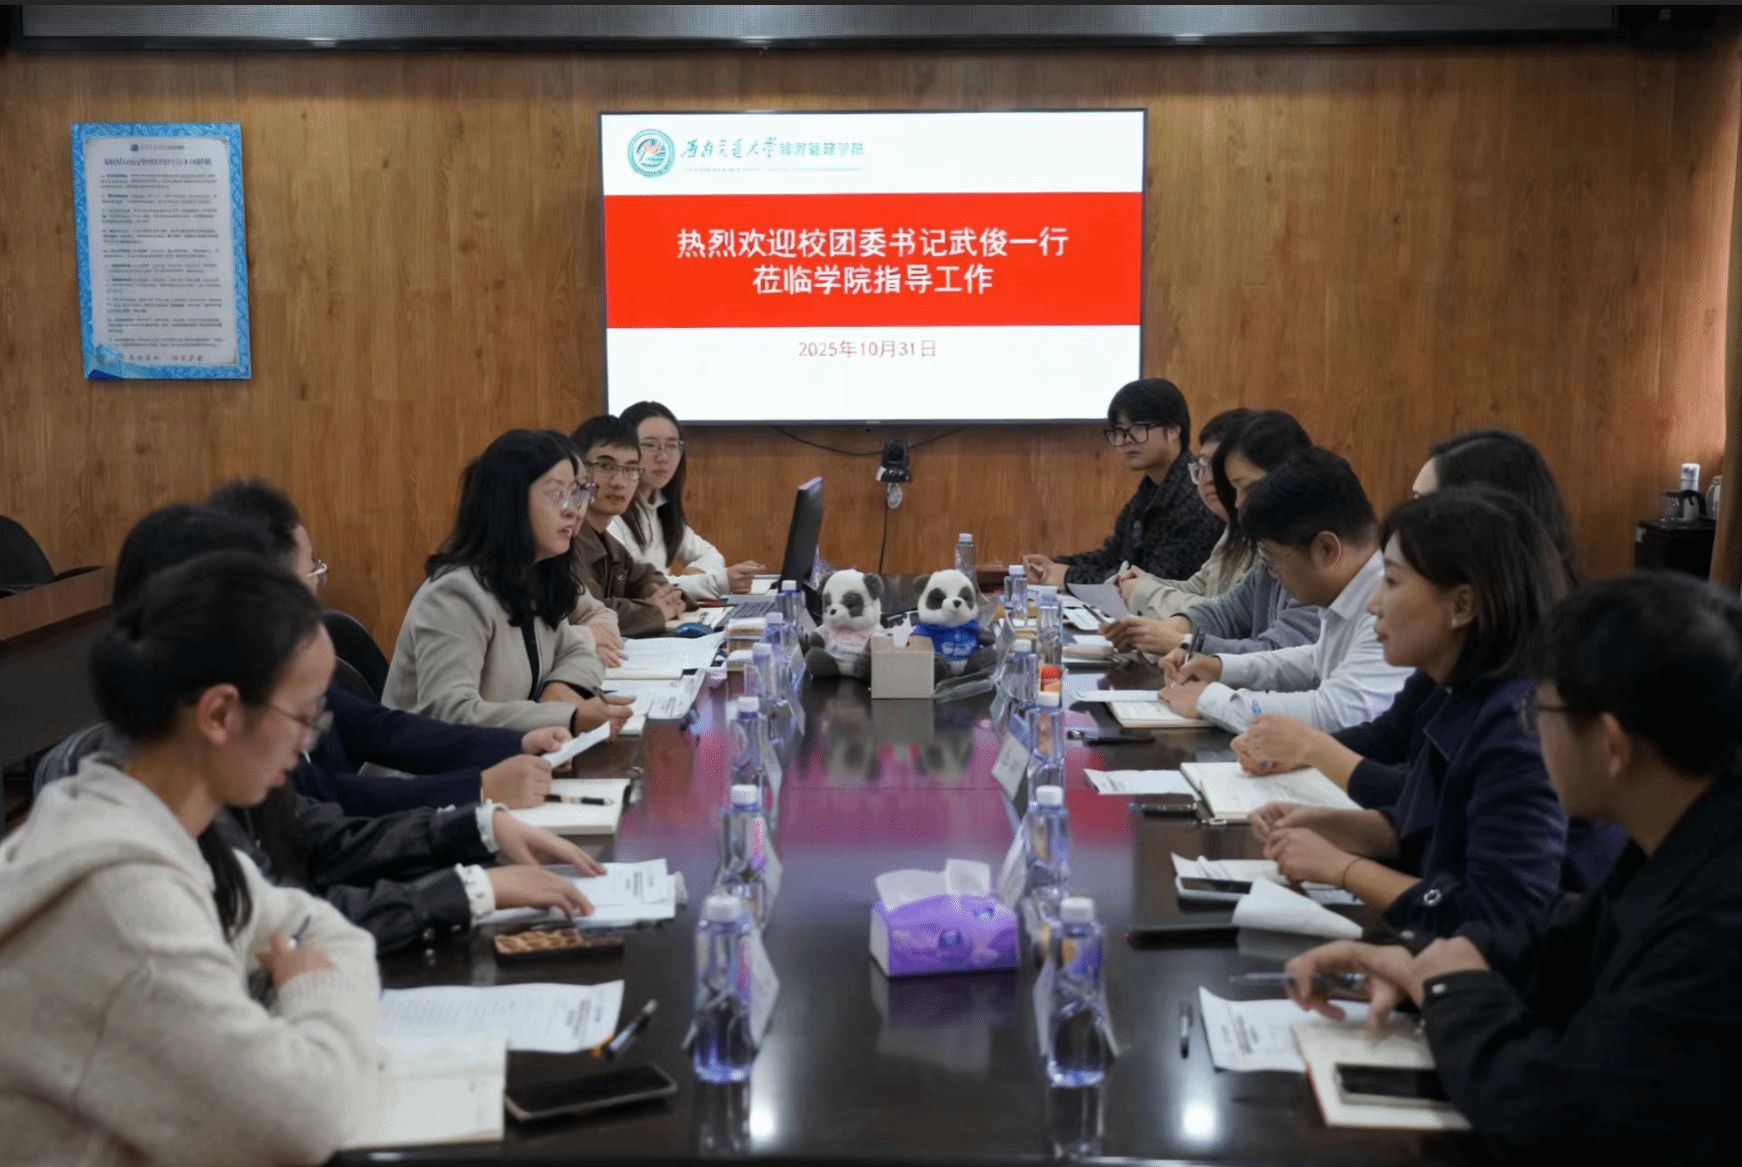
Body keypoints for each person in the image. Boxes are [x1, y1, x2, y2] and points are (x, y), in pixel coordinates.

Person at [1284, 572, 1742, 1162]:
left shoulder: (1718, 923)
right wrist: (1419, 959)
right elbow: (1564, 942)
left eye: (1538, 712)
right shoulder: (1682, 834)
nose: (1532, 732)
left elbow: (1558, 1120)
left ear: (1611, 745)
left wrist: (1445, 988)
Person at [35, 504, 602, 955]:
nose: (312, 590)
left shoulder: (218, 741)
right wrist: (469, 882)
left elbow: (314, 832)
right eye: (299, 575)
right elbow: (280, 937)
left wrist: (476, 830)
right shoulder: (144, 825)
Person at [0, 552, 379, 1166]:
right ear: (220, 713)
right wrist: (311, 988)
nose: (308, 743)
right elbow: (302, 1120)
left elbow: (322, 927)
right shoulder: (124, 903)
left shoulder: (146, 818)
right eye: (304, 716)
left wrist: (313, 981)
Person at [1243, 488, 1622, 937]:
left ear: (1462, 605)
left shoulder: (1522, 725)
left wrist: (1342, 868)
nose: (1373, 604)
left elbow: (1500, 919)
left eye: (1392, 582)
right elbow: (1440, 827)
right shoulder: (1454, 688)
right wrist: (1338, 827)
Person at [1232, 427, 1585, 808]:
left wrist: (1312, 749)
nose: (1412, 520)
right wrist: (1300, 753)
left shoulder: (1527, 696)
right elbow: (1393, 741)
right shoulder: (1458, 649)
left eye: (1427, 504)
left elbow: (1436, 804)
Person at [200, 485, 571, 814]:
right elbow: (327, 804)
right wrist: (479, 789)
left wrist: (516, 743)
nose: (318, 588)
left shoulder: (282, 663)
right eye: (312, 571)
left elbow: (379, 729)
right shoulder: (240, 695)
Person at [385, 429, 632, 733]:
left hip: (513, 752)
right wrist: (564, 716)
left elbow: (577, 651)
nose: (573, 510)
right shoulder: (455, 593)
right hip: (435, 763)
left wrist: (561, 688)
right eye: (557, 494)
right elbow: (448, 714)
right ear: (510, 502)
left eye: (576, 493)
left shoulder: (536, 577)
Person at [1161, 447, 1411, 734]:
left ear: (1326, 549)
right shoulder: (1353, 587)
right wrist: (1220, 668)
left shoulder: (1390, 604)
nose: (1273, 576)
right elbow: (1315, 661)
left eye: (1271, 561)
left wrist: (1210, 701)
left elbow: (1338, 713)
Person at [1102, 409, 1321, 658]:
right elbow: (1222, 612)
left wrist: (1179, 639)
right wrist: (1159, 630)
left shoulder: (1311, 554)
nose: (1237, 502)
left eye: (1248, 488)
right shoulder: (1262, 543)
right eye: (1203, 467)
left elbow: (1279, 657)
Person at [1022, 378, 1223, 588]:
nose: (1126, 440)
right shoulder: (1149, 491)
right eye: (1119, 431)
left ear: (1173, 430)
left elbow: (1157, 580)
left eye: (1138, 428)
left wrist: (1067, 576)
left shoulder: (1197, 493)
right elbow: (1114, 558)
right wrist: (1055, 565)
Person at [1110, 407, 1257, 618]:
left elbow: (1229, 616)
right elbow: (1198, 587)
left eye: (1217, 466)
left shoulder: (1267, 536)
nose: (1207, 479)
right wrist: (1146, 582)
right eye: (1203, 466)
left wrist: (1145, 592)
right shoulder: (1234, 527)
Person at [612, 400, 765, 603]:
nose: (663, 457)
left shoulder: (658, 508)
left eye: (672, 445)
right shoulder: (611, 514)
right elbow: (643, 588)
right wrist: (718, 582)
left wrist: (698, 572)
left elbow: (711, 555)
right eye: (649, 445)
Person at [569, 414, 689, 636]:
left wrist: (657, 595)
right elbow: (589, 613)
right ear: (576, 470)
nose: (619, 482)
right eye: (606, 466)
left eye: (631, 469)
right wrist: (653, 610)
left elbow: (646, 576)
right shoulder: (564, 540)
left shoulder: (607, 542)